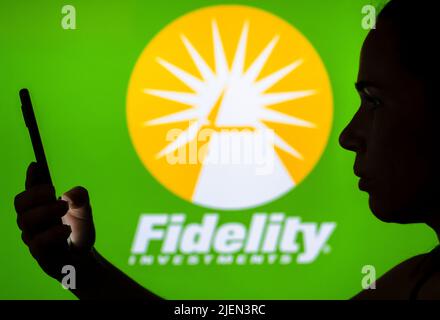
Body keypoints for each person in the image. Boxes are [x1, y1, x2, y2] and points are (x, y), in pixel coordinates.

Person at [13, 0, 440, 299]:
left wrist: (81, 274)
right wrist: (80, 271)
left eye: (375, 100)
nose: (349, 135)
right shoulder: (419, 281)